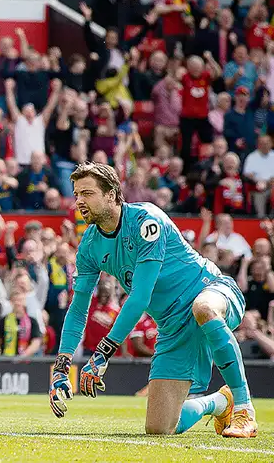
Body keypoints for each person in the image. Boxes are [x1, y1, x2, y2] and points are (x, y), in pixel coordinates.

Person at [50, 162, 257, 438]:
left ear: (111, 194)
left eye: (87, 194)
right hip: (172, 327)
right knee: (159, 428)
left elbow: (140, 296)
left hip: (210, 289)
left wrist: (103, 352)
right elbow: (78, 308)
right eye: (76, 194)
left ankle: (244, 410)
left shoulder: (146, 220)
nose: (79, 201)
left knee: (203, 308)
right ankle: (220, 402)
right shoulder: (88, 245)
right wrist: (61, 366)